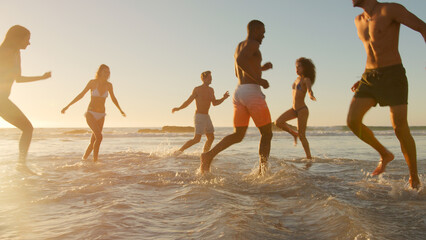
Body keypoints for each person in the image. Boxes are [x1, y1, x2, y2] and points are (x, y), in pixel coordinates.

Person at [347, 0, 426, 189]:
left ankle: (413, 178)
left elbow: (423, 27)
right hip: (369, 77)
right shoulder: (358, 20)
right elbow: (371, 50)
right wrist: (364, 76)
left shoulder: (390, 9)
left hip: (393, 75)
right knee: (352, 121)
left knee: (400, 128)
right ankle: (385, 154)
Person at [200, 20, 273, 174]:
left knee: (238, 135)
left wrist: (261, 69)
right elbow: (241, 61)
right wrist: (258, 79)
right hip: (252, 92)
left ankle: (208, 156)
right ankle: (263, 172)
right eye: (262, 32)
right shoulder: (253, 43)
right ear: (254, 30)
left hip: (239, 92)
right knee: (267, 133)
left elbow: (238, 69)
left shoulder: (240, 46)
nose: (264, 35)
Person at [0, 25, 52, 173]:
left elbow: (19, 79)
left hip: (2, 100)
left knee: (27, 128)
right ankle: (21, 165)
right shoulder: (3, 52)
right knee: (28, 128)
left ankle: (21, 165)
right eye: (27, 39)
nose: (29, 43)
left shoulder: (16, 53)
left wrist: (41, 78)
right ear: (17, 39)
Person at [61, 64, 125, 162]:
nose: (107, 73)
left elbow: (113, 98)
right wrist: (68, 106)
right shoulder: (92, 83)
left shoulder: (109, 85)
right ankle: (95, 161)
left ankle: (84, 159)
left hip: (101, 115)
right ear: (100, 72)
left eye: (108, 71)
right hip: (91, 114)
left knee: (93, 141)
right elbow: (81, 95)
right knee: (99, 137)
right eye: (105, 71)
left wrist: (120, 110)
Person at [172, 71, 229, 154]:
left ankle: (205, 154)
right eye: (209, 78)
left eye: (211, 78)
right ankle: (179, 151)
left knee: (211, 137)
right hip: (199, 116)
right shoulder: (197, 89)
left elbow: (214, 103)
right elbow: (188, 101)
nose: (211, 79)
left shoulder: (211, 90)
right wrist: (179, 108)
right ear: (203, 79)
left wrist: (223, 98)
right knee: (197, 139)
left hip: (207, 116)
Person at [275, 57, 316, 159]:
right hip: (294, 109)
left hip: (302, 110)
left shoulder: (306, 80)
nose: (297, 69)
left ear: (305, 68)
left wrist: (311, 95)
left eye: (299, 66)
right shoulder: (297, 79)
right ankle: (294, 134)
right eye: (296, 67)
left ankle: (309, 157)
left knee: (302, 136)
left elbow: (309, 90)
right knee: (278, 122)